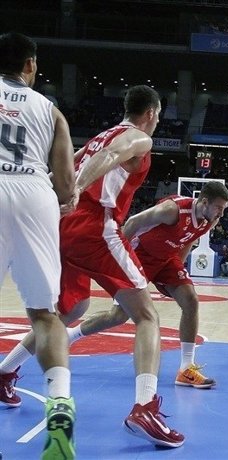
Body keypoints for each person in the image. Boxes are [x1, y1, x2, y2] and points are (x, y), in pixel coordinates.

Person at [0, 84, 185, 447]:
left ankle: (5, 372)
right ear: (150, 113)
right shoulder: (137, 139)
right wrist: (75, 191)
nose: (158, 121)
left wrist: (52, 196)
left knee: (69, 311)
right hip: (95, 227)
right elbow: (113, 156)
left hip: (63, 229)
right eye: (159, 115)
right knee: (147, 315)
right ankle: (144, 406)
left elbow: (69, 164)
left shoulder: (102, 133)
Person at [64, 181, 228, 389]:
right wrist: (116, 258)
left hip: (166, 260)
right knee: (118, 316)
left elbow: (189, 238)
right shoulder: (172, 210)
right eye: (219, 208)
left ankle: (186, 368)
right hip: (138, 257)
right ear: (204, 202)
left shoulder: (209, 220)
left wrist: (178, 273)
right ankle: (71, 336)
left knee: (191, 301)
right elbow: (133, 222)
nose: (221, 214)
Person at [0, 32, 77, 459]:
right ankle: (61, 403)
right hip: (33, 192)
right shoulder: (51, 111)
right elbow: (66, 185)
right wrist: (68, 197)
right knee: (45, 315)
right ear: (30, 64)